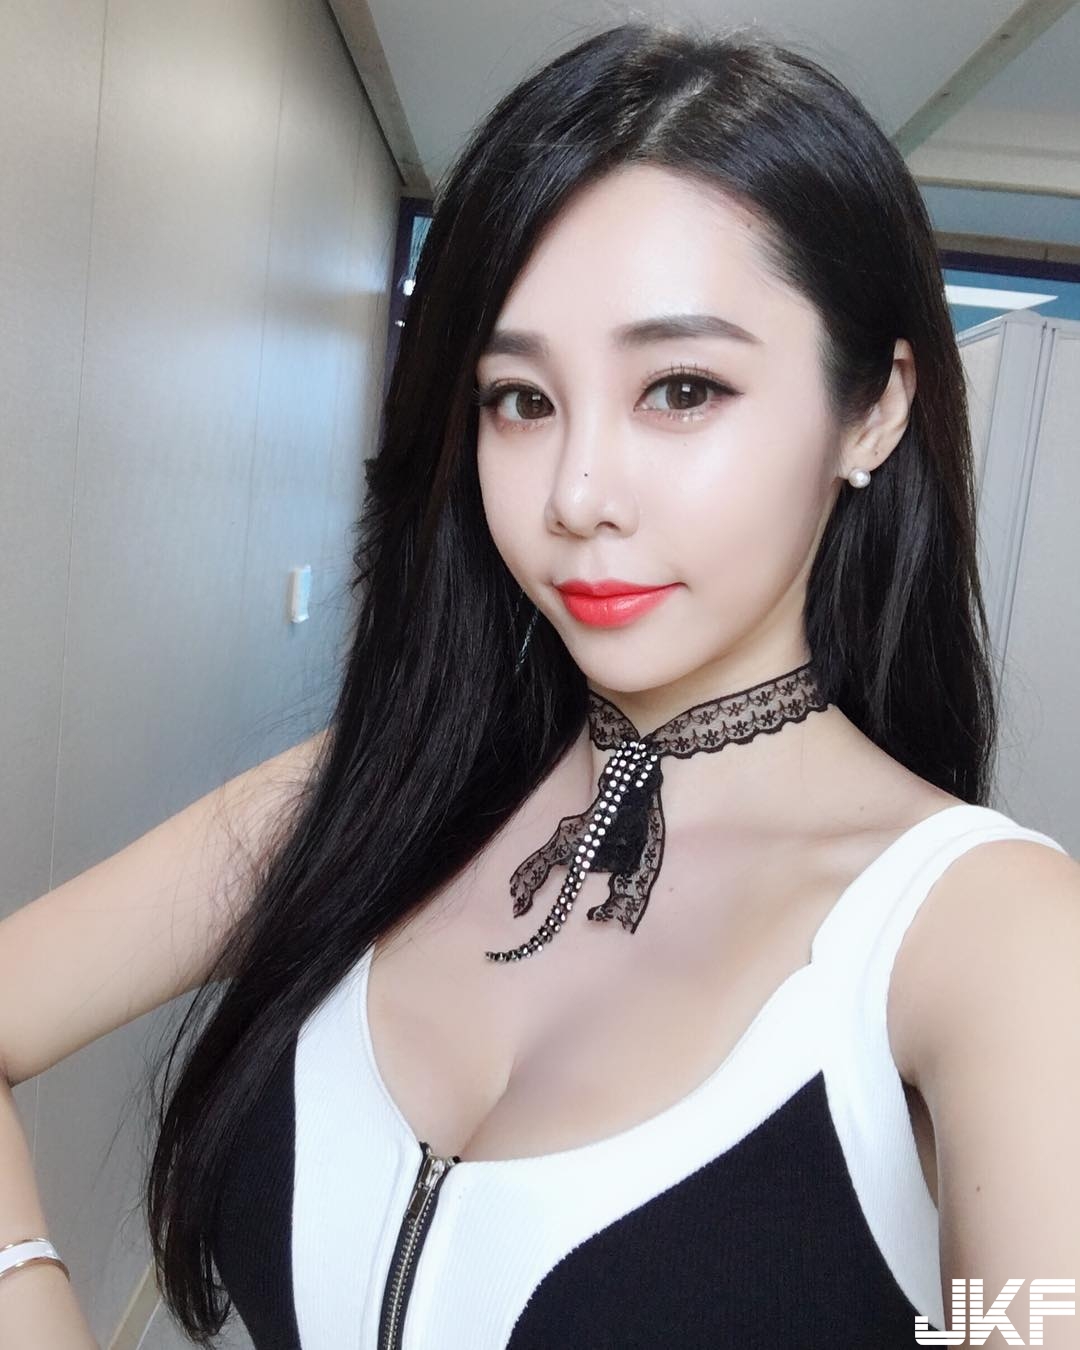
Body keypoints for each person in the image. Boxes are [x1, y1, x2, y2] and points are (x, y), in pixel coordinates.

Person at [2, 19, 1078, 1350]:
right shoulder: (366, 795)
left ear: (875, 408)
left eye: (681, 388)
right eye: (520, 398)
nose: (577, 494)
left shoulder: (991, 941)